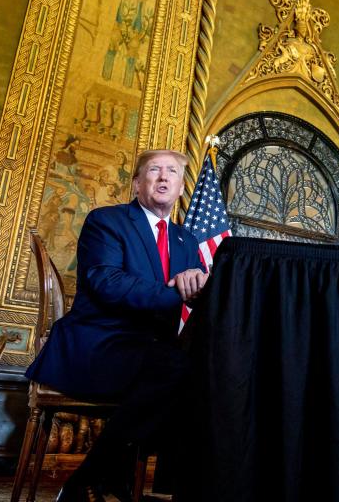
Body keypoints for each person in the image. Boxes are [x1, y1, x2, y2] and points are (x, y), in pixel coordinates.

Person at [26, 149, 208, 502]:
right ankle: (92, 479)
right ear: (137, 183)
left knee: (203, 374)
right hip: (97, 344)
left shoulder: (187, 242)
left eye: (172, 171)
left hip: (148, 354)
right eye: (154, 170)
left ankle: (108, 473)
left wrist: (199, 285)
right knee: (176, 369)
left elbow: (198, 294)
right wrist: (176, 291)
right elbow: (106, 282)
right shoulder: (106, 221)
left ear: (181, 186)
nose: (163, 177)